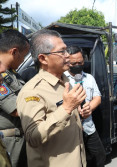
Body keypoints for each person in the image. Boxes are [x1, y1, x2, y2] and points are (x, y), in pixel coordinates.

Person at [16, 29, 87, 167]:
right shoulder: (32, 91)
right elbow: (33, 136)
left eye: (66, 50)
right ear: (43, 58)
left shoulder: (65, 82)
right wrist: (66, 108)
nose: (68, 56)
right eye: (62, 52)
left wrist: (80, 113)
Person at [64, 46, 106, 167]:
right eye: (74, 63)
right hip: (71, 130)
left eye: (80, 62)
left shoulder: (89, 78)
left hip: (89, 127)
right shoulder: (62, 79)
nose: (77, 65)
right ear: (67, 62)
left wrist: (90, 107)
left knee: (99, 156)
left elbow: (97, 97)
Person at [0, 29, 30, 167]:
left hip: (19, 138)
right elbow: (16, 109)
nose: (23, 60)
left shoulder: (12, 73)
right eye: (23, 56)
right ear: (14, 52)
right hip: (9, 142)